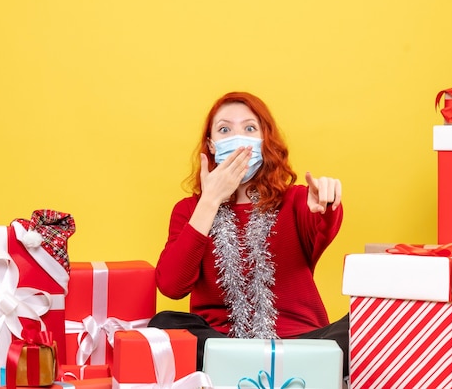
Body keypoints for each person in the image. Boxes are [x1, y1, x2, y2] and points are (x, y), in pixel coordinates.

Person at [148, 91, 348, 375]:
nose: (238, 138)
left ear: (264, 142)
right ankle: (272, 370)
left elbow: (324, 225)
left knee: (368, 324)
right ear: (212, 145)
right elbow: (171, 286)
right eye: (225, 129)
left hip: (302, 343)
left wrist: (327, 204)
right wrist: (209, 201)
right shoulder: (189, 209)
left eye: (249, 128)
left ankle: (261, 368)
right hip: (223, 345)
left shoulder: (295, 200)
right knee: (164, 325)